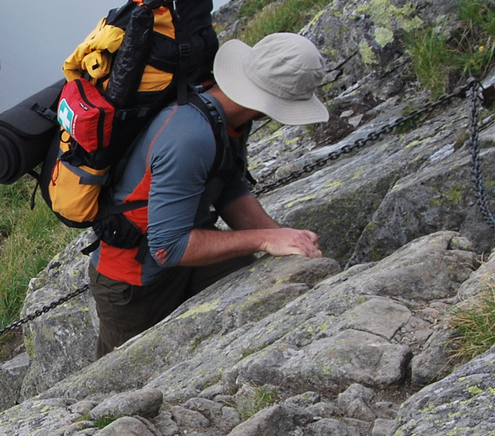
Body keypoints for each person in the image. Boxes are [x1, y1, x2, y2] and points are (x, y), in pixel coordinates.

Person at [90, 31, 328, 357]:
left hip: (187, 253)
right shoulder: (190, 137)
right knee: (119, 385)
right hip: (134, 283)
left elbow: (229, 186)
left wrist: (284, 236)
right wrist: (263, 240)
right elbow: (168, 248)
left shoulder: (228, 118)